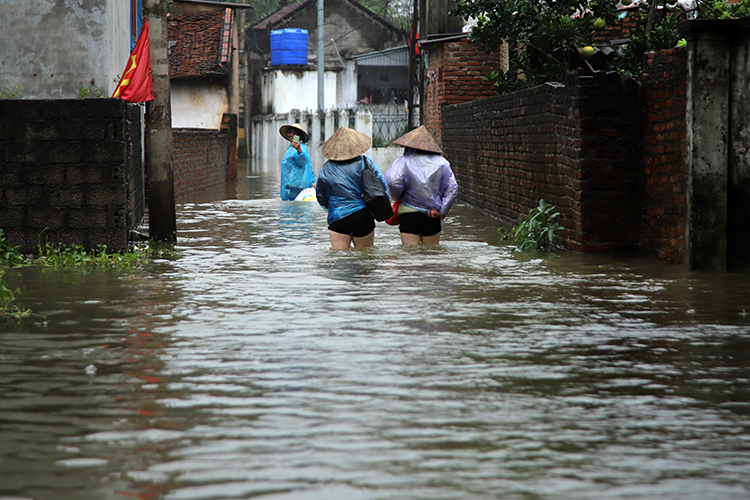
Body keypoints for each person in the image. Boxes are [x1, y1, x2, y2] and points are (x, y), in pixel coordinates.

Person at [316, 127, 389, 250]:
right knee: (365, 259)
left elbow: (321, 196)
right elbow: (383, 187)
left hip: (337, 217)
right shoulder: (366, 163)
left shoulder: (326, 168)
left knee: (339, 262)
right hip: (363, 216)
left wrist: (334, 208)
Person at [384, 125, 458, 245]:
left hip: (408, 214)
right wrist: (442, 210)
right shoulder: (443, 164)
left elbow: (393, 181)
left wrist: (397, 197)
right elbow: (452, 188)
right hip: (432, 214)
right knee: (431, 258)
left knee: (410, 257)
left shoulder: (403, 162)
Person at [279, 123, 316, 201]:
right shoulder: (291, 148)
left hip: (297, 186)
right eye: (289, 132)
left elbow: (302, 161)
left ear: (298, 135)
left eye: (293, 132)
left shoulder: (301, 147)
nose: (290, 134)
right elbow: (309, 166)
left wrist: (299, 150)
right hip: (292, 185)